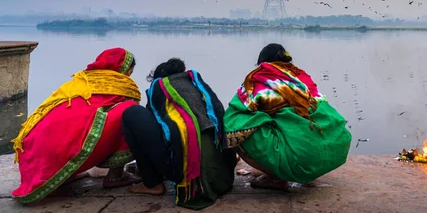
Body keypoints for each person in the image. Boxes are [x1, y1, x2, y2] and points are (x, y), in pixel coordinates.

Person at [12, 47, 142, 204]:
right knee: (131, 112)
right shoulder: (123, 84)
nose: (129, 75)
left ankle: (65, 174)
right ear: (125, 68)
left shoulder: (81, 79)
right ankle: (115, 176)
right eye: (130, 71)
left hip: (34, 151)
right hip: (60, 150)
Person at [224, 43, 352, 190]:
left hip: (301, 157)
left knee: (237, 129)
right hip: (330, 152)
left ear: (262, 63)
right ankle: (299, 168)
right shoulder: (301, 77)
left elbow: (235, 113)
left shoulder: (259, 80)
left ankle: (276, 178)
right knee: (292, 125)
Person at [122, 58, 236, 210]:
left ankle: (152, 184)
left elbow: (153, 133)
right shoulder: (198, 86)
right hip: (223, 179)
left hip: (191, 180)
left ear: (157, 78)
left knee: (132, 113)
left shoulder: (160, 88)